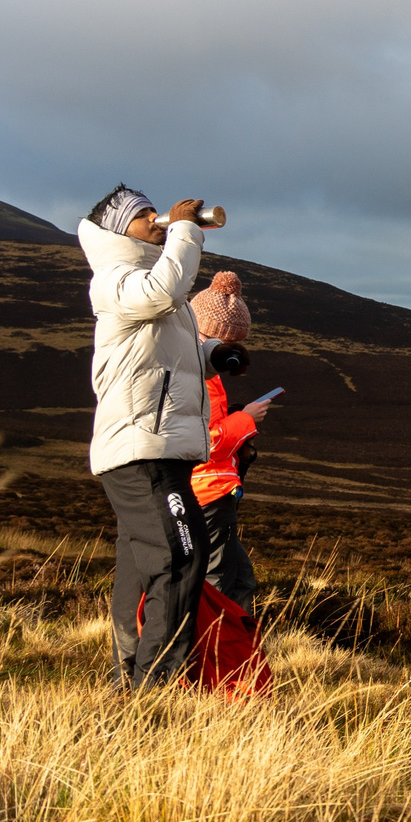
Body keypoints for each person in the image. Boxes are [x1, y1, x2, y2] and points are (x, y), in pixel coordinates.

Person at [80, 183, 234, 687]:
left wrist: (214, 353)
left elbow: (162, 344)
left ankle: (130, 676)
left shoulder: (148, 279)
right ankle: (158, 684)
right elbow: (161, 295)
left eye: (157, 213)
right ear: (119, 228)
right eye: (144, 214)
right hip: (140, 445)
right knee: (180, 555)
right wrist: (186, 228)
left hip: (159, 445)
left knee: (143, 565)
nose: (156, 219)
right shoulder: (116, 279)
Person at [189, 270, 273, 607]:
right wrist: (245, 420)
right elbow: (206, 443)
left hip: (216, 491)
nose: (229, 353)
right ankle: (214, 650)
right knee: (218, 580)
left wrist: (234, 417)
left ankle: (238, 649)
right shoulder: (198, 378)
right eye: (225, 342)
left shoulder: (202, 374)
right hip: (206, 492)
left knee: (240, 578)